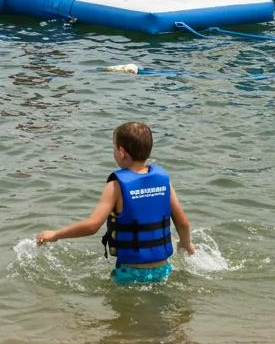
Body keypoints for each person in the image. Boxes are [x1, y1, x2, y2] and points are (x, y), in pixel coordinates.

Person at [36, 121, 195, 285]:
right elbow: (183, 223)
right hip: (163, 271)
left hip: (130, 275)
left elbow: (92, 226)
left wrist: (55, 235)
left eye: (113, 147)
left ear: (121, 152)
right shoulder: (164, 181)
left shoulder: (116, 186)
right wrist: (186, 246)